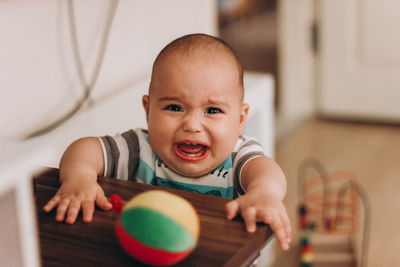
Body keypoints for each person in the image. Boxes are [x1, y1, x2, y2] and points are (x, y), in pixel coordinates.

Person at [43, 33, 291, 250]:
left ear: (240, 119)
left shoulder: (237, 156)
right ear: (148, 109)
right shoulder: (140, 148)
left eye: (212, 110)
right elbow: (84, 149)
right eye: (174, 107)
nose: (192, 125)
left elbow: (266, 171)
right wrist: (79, 177)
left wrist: (264, 192)